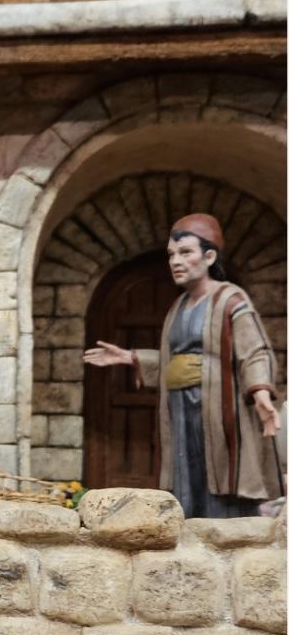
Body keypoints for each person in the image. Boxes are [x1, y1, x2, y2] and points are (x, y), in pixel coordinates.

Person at [84, 214, 283, 518]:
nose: (175, 261)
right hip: (180, 409)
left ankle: (225, 532)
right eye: (171, 254)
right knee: (186, 471)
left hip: (217, 409)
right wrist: (133, 358)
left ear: (209, 256)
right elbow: (174, 360)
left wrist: (261, 392)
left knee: (218, 470)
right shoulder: (178, 306)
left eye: (185, 252)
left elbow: (254, 350)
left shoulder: (230, 299)